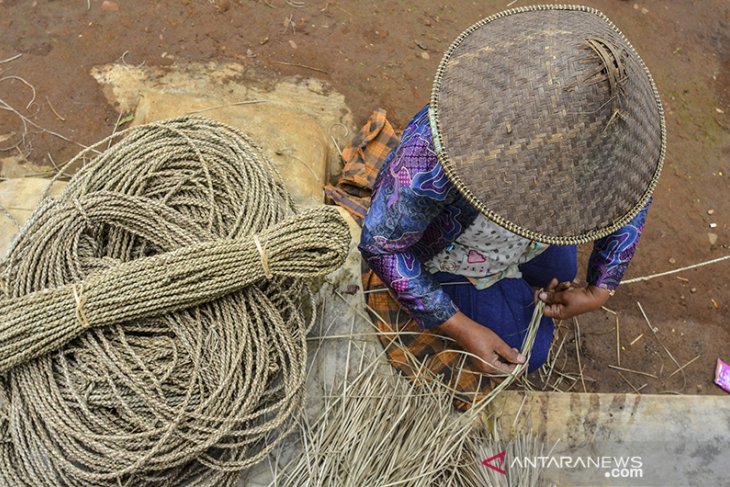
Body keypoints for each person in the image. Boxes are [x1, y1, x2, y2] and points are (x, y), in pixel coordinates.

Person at [358, 5, 665, 378]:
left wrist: (602, 285)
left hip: (516, 241)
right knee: (530, 351)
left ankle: (512, 280)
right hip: (455, 252)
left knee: (563, 269)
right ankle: (482, 291)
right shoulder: (434, 151)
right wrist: (460, 326)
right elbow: (380, 244)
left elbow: (632, 190)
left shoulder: (615, 131)